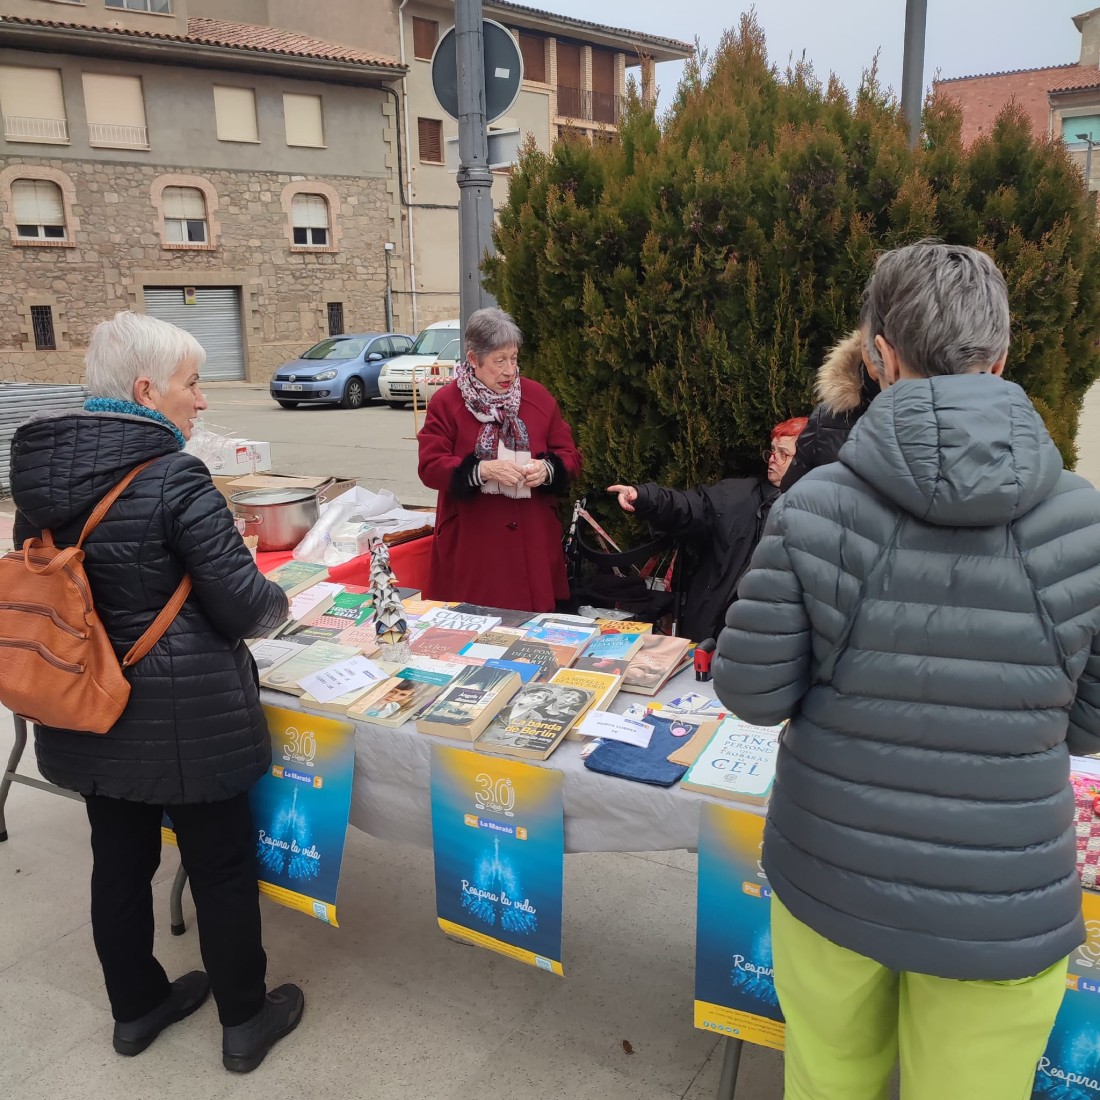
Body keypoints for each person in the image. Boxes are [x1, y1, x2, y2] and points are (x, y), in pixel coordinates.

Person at [713, 242, 1100, 1100]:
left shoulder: (816, 506)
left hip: (831, 872)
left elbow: (750, 691)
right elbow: (1088, 725)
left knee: (828, 1084)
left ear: (879, 355)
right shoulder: (1084, 521)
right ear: (1001, 357)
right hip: (1004, 899)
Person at [9, 311, 305, 1074]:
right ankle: (245, 1019)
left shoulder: (40, 478)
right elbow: (245, 607)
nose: (201, 399)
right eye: (192, 383)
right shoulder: (175, 476)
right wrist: (282, 602)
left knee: (118, 863)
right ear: (145, 391)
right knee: (221, 868)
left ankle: (136, 1008)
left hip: (86, 703)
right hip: (186, 720)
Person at [418, 307, 582, 612]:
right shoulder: (446, 404)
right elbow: (430, 467)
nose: (509, 370)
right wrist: (481, 470)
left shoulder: (538, 398)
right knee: (472, 629)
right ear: (473, 359)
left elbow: (570, 457)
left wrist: (548, 469)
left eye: (514, 358)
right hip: (473, 549)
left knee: (533, 629)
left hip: (532, 544)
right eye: (499, 360)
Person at [607, 417, 807, 643]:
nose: (772, 458)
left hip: (773, 639)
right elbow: (689, 506)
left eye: (783, 454)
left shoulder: (820, 513)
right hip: (713, 630)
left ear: (805, 460)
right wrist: (644, 497)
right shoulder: (736, 495)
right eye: (772, 450)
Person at [780, 311, 884, 491]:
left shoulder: (931, 412)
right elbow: (791, 490)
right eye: (872, 339)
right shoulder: (827, 416)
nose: (879, 347)